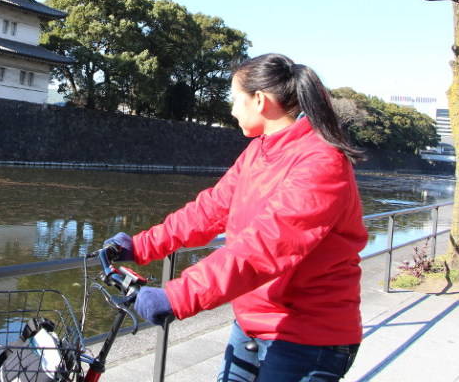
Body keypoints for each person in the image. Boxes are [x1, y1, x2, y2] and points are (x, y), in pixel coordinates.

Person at [105, 53, 367, 382]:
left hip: (307, 336)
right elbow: (211, 209)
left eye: (234, 98)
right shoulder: (260, 150)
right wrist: (140, 245)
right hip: (251, 323)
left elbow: (268, 245)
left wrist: (177, 295)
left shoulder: (322, 161)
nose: (231, 109)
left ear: (259, 100)